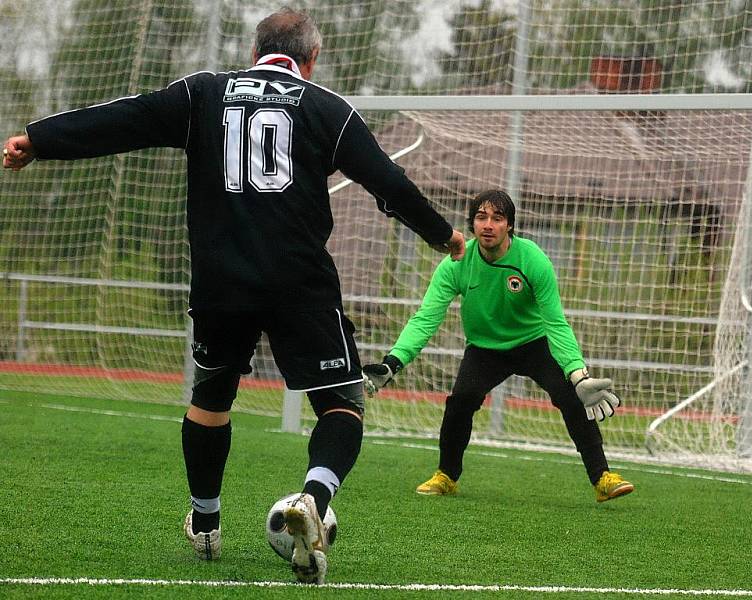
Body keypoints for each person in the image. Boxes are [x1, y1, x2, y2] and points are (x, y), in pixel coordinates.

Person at [3, 8, 465, 585]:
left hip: (222, 281)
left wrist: (39, 139)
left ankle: (205, 522)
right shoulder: (326, 107)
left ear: (255, 51)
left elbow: (125, 119)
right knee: (342, 403)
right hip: (300, 280)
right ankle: (314, 499)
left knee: (212, 397)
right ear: (311, 57)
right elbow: (389, 184)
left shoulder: (202, 94)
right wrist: (443, 235)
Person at [363, 189, 633, 502]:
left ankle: (602, 478)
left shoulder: (533, 260)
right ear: (472, 224)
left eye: (497, 218)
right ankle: (447, 476)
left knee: (572, 399)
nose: (488, 224)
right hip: (484, 349)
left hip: (534, 343)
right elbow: (426, 319)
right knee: (460, 402)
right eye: (481, 217)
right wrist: (392, 362)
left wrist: (578, 376)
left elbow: (556, 324)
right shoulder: (456, 263)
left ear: (510, 226)